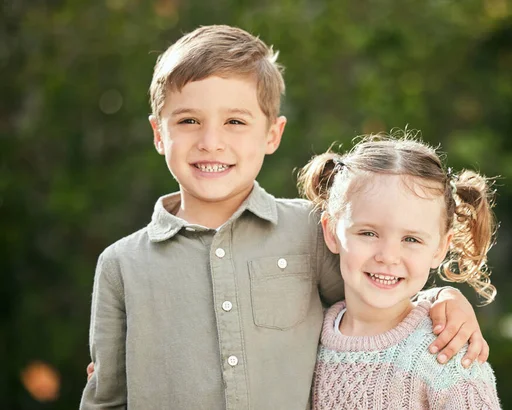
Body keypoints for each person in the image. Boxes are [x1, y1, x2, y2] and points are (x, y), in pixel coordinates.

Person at [80, 25, 489, 410]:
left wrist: (443, 298)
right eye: (189, 121)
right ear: (158, 133)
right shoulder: (122, 266)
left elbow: (378, 295)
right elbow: (107, 399)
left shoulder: (310, 231)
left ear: (272, 134)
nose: (211, 142)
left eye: (235, 122)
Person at [299, 133, 502, 409]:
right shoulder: (307, 335)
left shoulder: (449, 354)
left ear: (441, 248)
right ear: (332, 232)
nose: (388, 257)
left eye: (411, 239)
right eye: (368, 233)